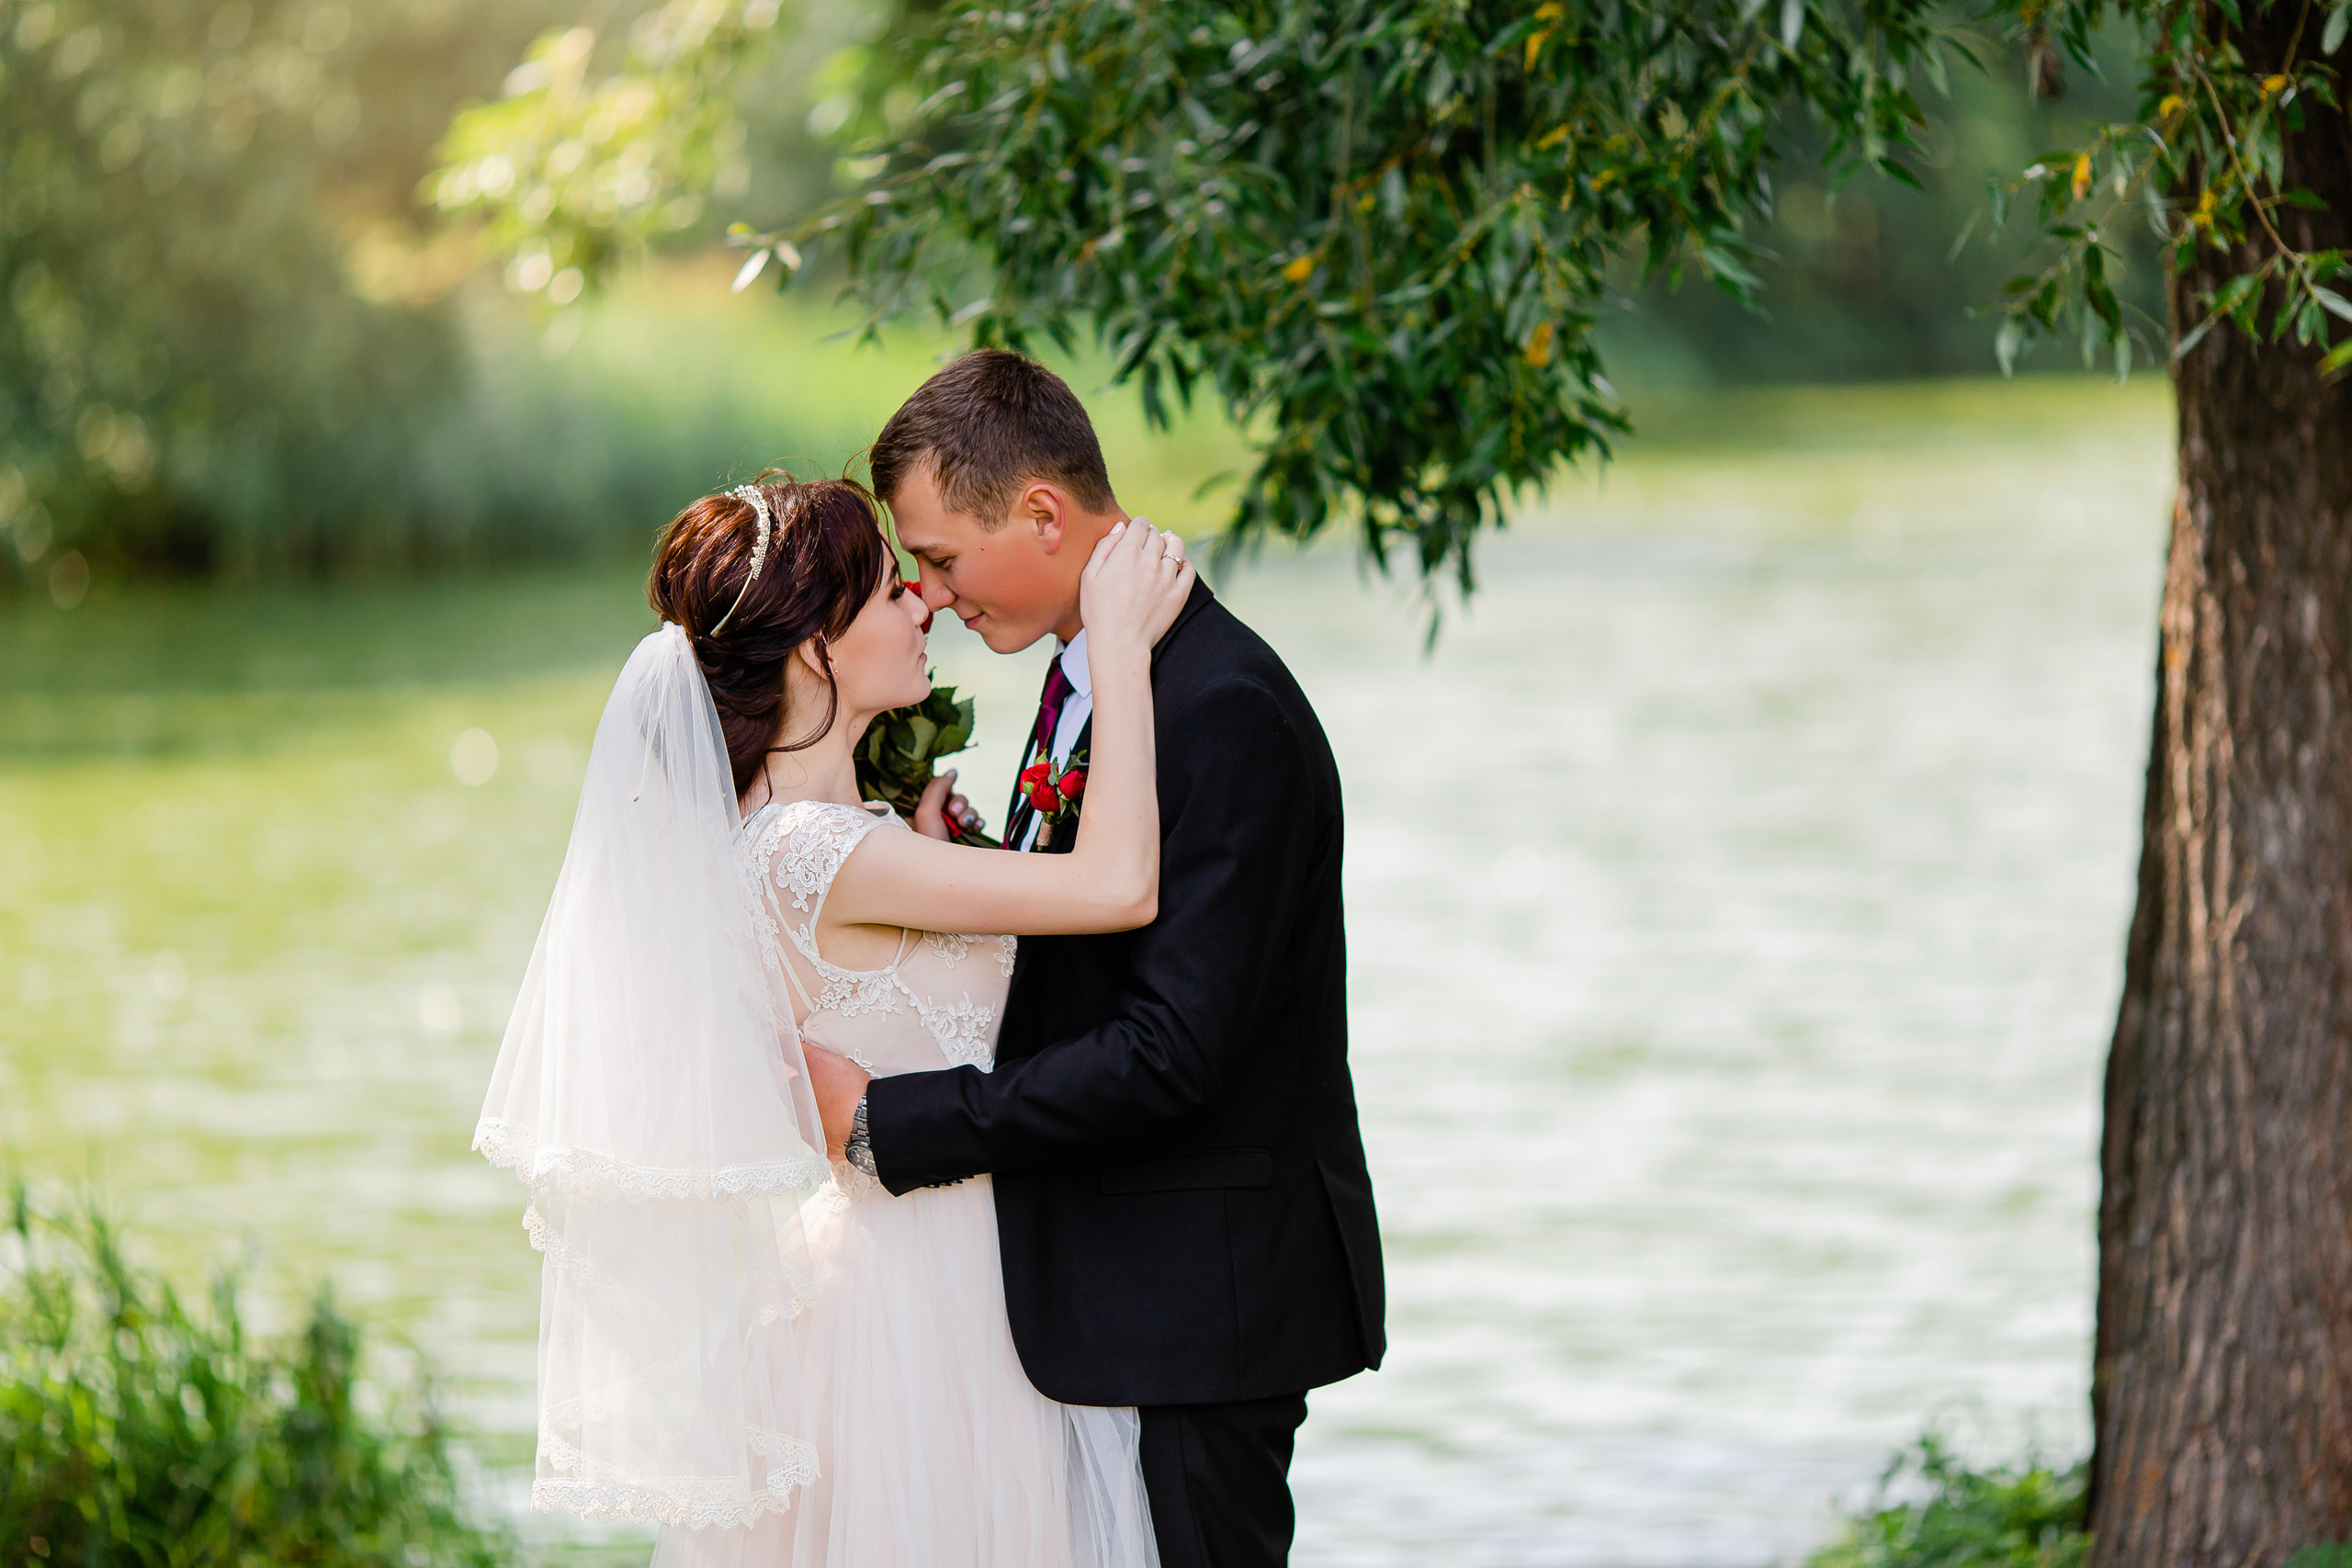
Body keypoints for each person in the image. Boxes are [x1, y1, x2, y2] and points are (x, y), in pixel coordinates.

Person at [475, 471, 1195, 1567]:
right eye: (890, 591)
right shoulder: (822, 852)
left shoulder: (782, 838)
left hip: (879, 1274)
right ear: (818, 645)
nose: (924, 605)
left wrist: (929, 851)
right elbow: (1115, 888)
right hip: (934, 1304)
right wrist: (1123, 648)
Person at [801, 349, 1386, 1568]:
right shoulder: (1095, 671)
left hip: (1198, 1303)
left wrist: (896, 1123)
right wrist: (980, 873)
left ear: (1041, 513)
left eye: (942, 558)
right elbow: (1106, 940)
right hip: (1113, 1287)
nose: (934, 596)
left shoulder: (1218, 703)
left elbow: (1172, 1049)